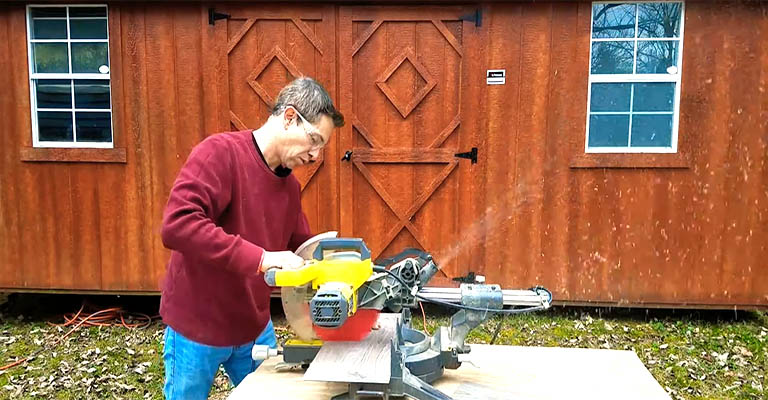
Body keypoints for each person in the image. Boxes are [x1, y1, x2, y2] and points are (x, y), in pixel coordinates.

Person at [158, 77, 344, 399]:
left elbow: (302, 249)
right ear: (289, 117)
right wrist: (261, 259)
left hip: (254, 329)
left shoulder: (289, 188)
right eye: (314, 140)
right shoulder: (220, 154)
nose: (315, 155)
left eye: (321, 148)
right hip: (197, 326)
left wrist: (339, 269)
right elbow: (178, 224)